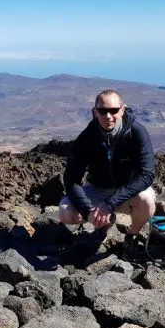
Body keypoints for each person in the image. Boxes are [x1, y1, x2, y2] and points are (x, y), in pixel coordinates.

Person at [58, 89, 156, 255]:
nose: (108, 116)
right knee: (66, 212)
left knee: (147, 200)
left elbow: (147, 174)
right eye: (102, 111)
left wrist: (109, 204)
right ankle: (103, 225)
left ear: (123, 109)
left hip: (127, 190)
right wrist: (88, 211)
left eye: (114, 110)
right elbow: (71, 180)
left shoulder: (136, 132)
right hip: (97, 188)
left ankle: (133, 233)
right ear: (95, 111)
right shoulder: (87, 137)